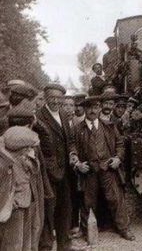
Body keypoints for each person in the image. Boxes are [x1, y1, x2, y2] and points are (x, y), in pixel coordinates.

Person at [69, 95, 135, 242]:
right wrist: (78, 164)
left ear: (99, 109)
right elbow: (72, 148)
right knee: (88, 202)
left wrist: (118, 158)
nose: (93, 111)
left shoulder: (109, 126)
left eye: (96, 107)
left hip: (107, 168)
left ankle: (124, 228)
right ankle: (86, 231)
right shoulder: (77, 128)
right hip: (89, 170)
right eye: (90, 108)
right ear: (85, 109)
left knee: (115, 199)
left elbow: (120, 144)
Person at [35, 83, 79, 251]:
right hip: (47, 173)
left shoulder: (63, 115)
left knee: (65, 209)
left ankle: (64, 245)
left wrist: (73, 154)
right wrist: (49, 166)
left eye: (59, 98)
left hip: (65, 172)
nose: (55, 101)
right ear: (45, 98)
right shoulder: (38, 117)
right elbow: (37, 147)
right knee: (48, 211)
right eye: (52, 97)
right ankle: (45, 246)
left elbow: (71, 141)